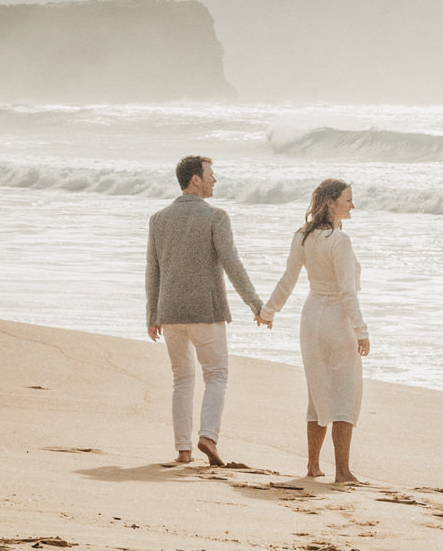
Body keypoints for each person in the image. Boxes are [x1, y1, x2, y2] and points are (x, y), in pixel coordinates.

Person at [145, 154, 265, 468]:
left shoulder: (158, 219)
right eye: (211, 175)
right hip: (206, 311)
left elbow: (152, 271)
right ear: (195, 179)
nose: (215, 180)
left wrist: (151, 316)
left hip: (169, 313)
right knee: (217, 375)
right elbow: (232, 263)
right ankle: (208, 437)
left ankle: (183, 449)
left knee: (182, 380)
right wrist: (255, 303)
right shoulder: (216, 217)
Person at [261, 176, 370, 484]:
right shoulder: (339, 241)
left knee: (318, 392)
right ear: (331, 203)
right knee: (346, 395)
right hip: (337, 320)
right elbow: (347, 292)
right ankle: (343, 472)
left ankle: (312, 466)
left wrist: (269, 310)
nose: (352, 205)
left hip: (310, 320)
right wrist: (361, 330)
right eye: (347, 200)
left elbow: (288, 279)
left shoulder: (302, 237)